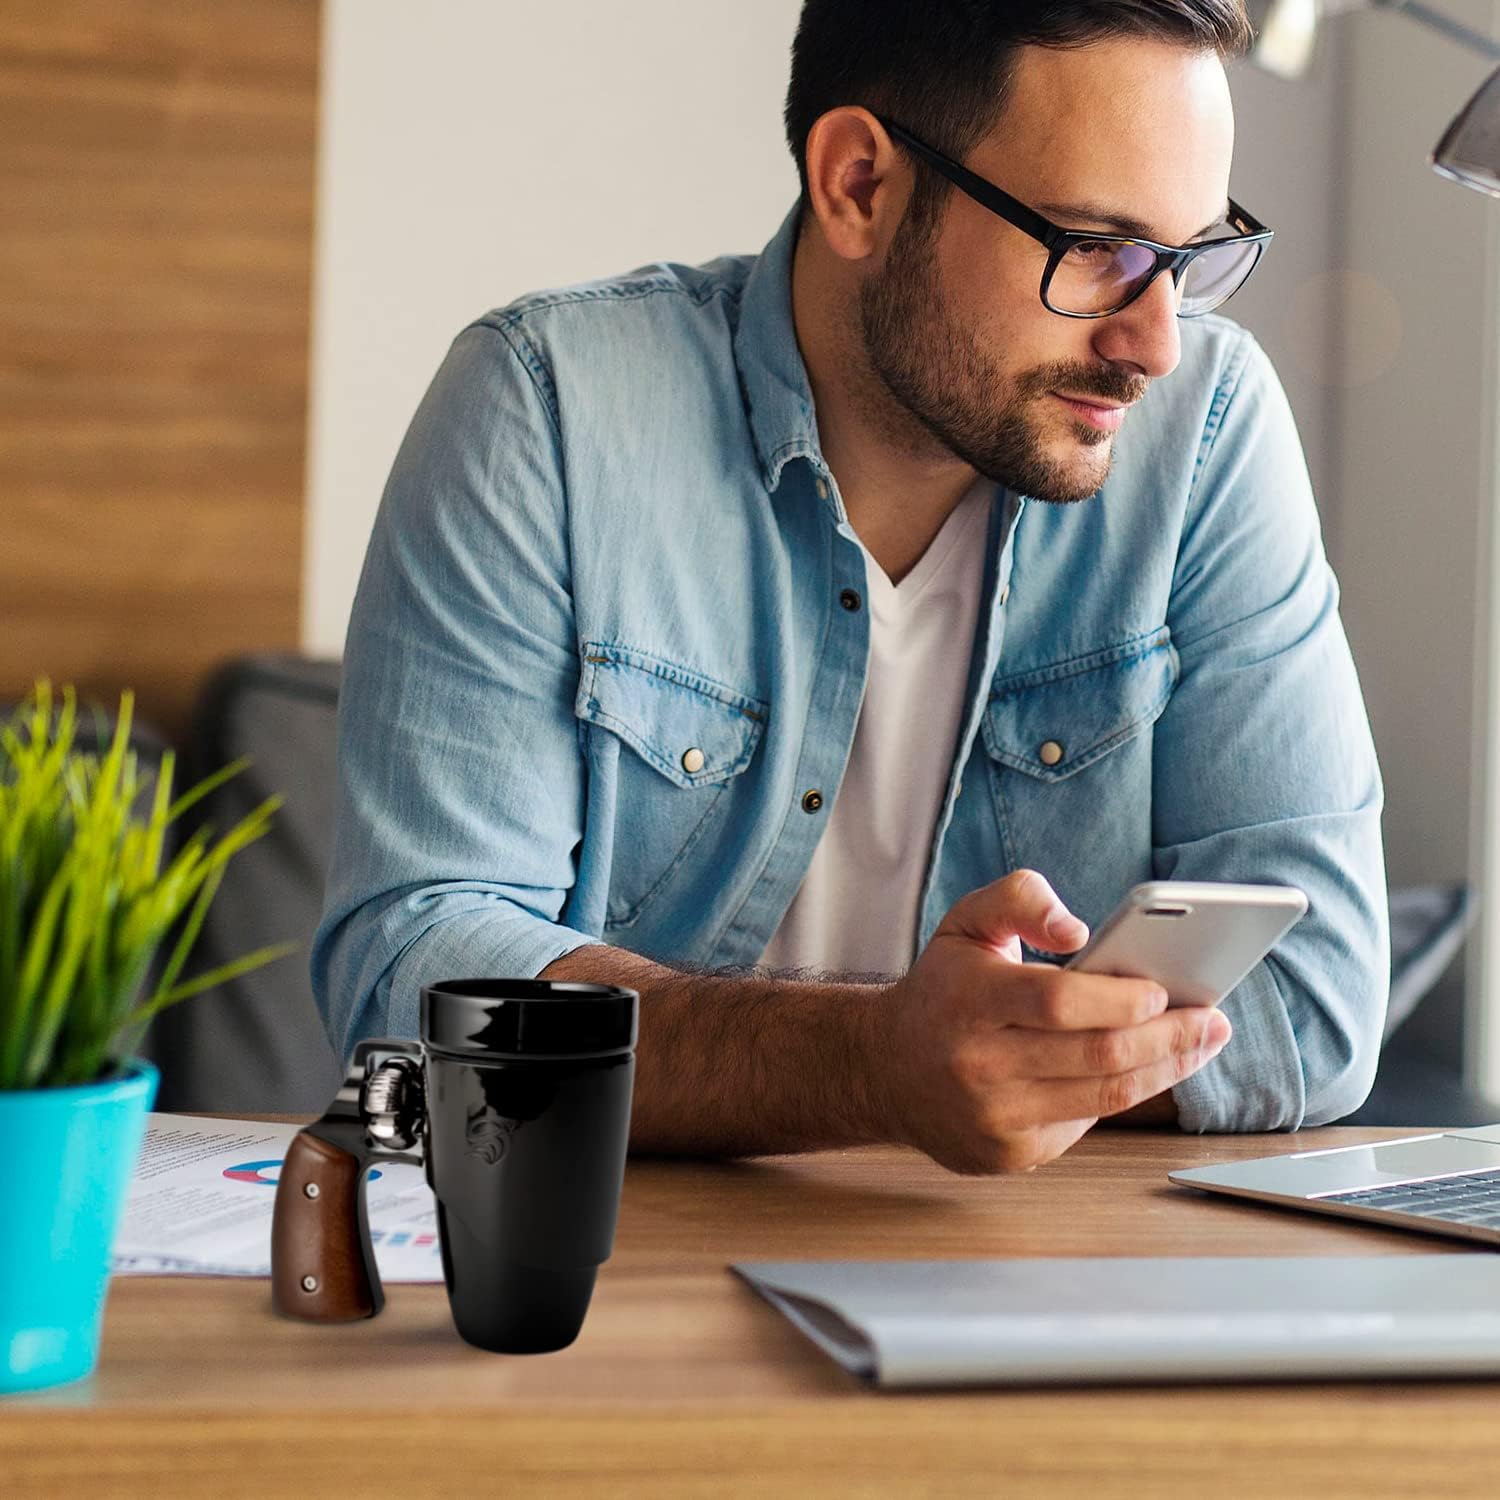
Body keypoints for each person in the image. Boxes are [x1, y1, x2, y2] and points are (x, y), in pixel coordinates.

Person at [312, 0, 1388, 1176]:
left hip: (1042, 1278)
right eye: (1095, 249)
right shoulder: (549, 413)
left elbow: (1317, 998)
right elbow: (414, 973)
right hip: (616, 1282)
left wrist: (968, 1067)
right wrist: (877, 1063)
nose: (1156, 344)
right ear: (860, 184)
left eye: (1191, 259)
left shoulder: (1209, 435)